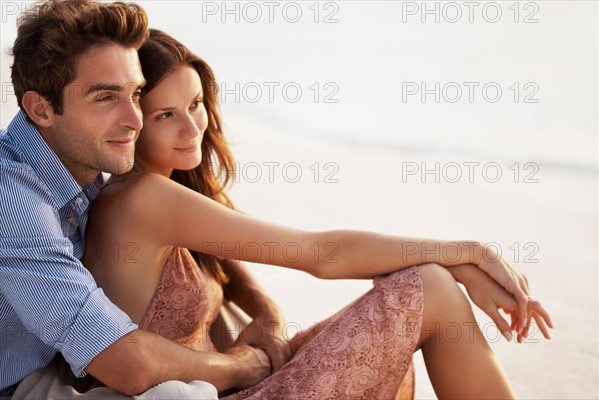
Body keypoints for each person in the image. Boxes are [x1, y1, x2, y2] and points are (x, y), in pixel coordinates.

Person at [78, 28, 555, 399]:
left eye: (197, 104)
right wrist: (466, 252)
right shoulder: (145, 198)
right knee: (431, 286)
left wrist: (265, 313)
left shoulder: (154, 193)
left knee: (430, 282)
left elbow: (230, 272)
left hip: (241, 382)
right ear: (135, 120)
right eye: (166, 115)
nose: (192, 128)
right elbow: (322, 253)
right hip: (228, 391)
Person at [0, 1, 271, 398]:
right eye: (106, 97)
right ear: (41, 109)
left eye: (136, 94)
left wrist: (264, 306)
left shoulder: (78, 163)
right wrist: (241, 366)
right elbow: (129, 365)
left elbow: (213, 247)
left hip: (45, 368)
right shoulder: (15, 200)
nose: (135, 118)